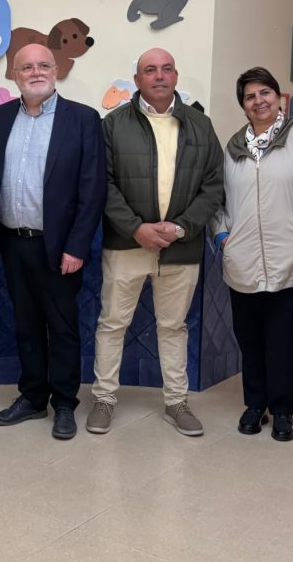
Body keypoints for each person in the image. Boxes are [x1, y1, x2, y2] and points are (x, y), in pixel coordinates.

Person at [87, 47, 224, 437]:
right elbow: (102, 183)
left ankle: (177, 402)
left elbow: (213, 185)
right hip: (127, 244)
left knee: (174, 327)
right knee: (112, 324)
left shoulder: (200, 124)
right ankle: (104, 399)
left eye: (166, 69)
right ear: (137, 80)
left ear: (176, 76)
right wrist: (136, 229)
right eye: (150, 70)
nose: (159, 76)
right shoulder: (113, 124)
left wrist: (180, 228)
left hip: (181, 246)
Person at [0, 44, 106, 440]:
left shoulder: (82, 119)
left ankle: (64, 403)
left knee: (62, 327)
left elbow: (92, 188)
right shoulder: (0, 117)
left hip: (59, 247)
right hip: (12, 242)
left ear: (56, 71)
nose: (36, 72)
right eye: (27, 67)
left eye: (43, 65)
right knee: (25, 324)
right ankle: (32, 398)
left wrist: (77, 246)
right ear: (14, 75)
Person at [212, 67, 293, 442]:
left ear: (279, 98)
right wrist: (223, 235)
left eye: (265, 92)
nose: (259, 101)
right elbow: (217, 198)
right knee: (249, 338)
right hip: (243, 260)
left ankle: (282, 410)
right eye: (250, 96)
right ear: (243, 106)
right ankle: (254, 404)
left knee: (283, 339)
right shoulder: (233, 147)